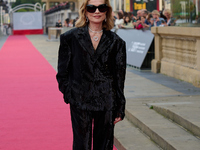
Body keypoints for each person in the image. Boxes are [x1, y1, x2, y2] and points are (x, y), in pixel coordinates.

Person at [56, 0, 126, 149]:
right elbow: (62, 73)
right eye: (91, 8)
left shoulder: (117, 42)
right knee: (81, 144)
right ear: (85, 11)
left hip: (106, 100)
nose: (97, 11)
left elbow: (119, 77)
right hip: (80, 99)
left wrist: (119, 105)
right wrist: (70, 95)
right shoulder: (70, 38)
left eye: (101, 7)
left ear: (107, 11)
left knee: (104, 144)